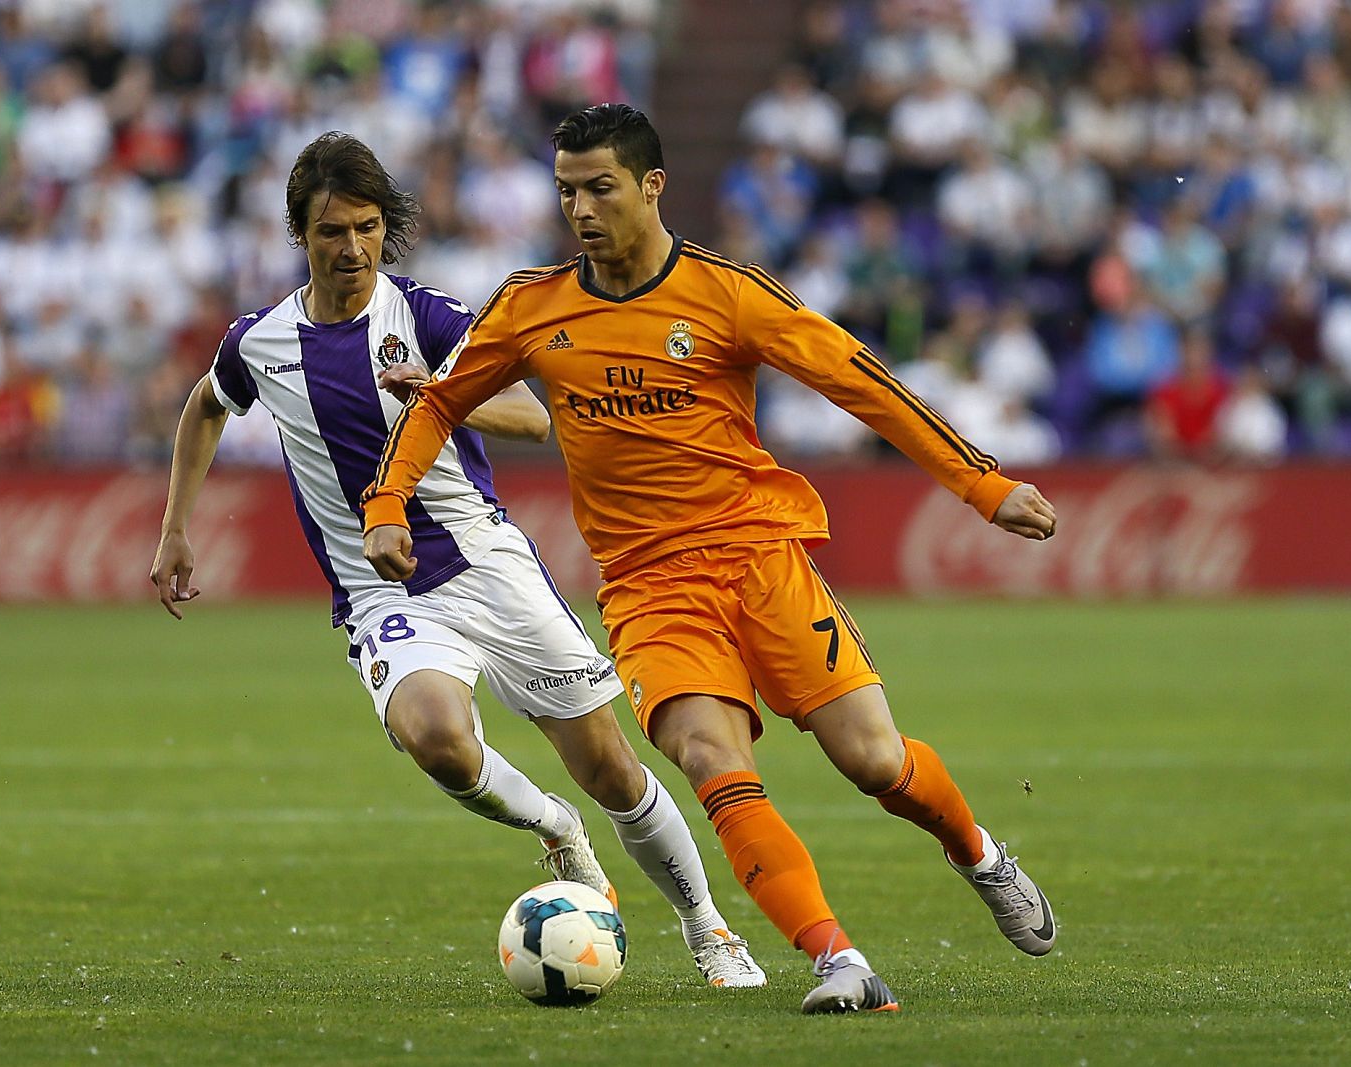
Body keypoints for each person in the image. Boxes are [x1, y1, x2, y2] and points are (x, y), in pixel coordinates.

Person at [363, 104, 1060, 1015]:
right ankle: (838, 961)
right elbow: (440, 401)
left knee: (876, 761)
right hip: (650, 589)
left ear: (653, 186)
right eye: (567, 189)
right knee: (707, 756)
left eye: (600, 187)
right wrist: (386, 502)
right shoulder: (531, 305)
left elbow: (861, 381)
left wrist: (981, 485)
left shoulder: (729, 293)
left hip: (759, 557)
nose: (579, 208)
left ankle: (978, 853)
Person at [148, 132, 765, 989]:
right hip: (380, 591)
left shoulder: (427, 316)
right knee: (436, 736)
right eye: (332, 232)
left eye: (367, 227)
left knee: (614, 769)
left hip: (487, 565)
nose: (353, 247)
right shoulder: (260, 341)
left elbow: (530, 416)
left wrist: (438, 395)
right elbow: (205, 408)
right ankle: (555, 826)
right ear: (302, 235)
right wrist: (177, 526)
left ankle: (709, 929)